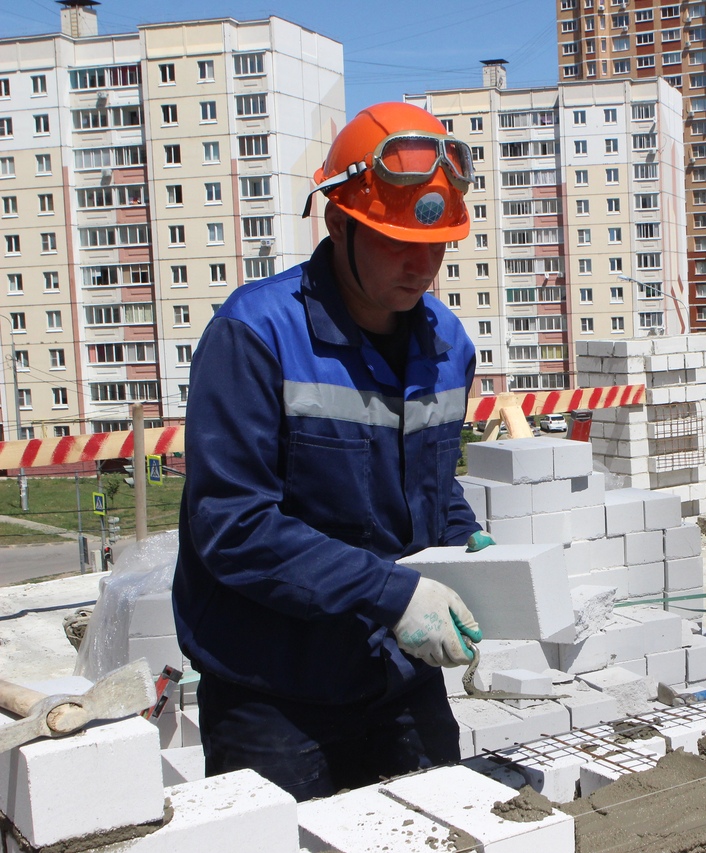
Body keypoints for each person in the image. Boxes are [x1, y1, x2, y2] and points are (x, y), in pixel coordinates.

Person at [173, 102, 495, 800]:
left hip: (396, 674)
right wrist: (393, 594)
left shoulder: (447, 344)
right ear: (339, 224)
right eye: (397, 242)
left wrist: (477, 554)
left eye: (437, 244)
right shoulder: (256, 334)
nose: (423, 265)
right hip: (276, 689)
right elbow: (232, 525)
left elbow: (433, 486)